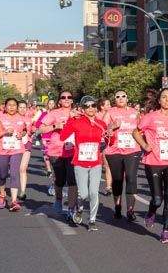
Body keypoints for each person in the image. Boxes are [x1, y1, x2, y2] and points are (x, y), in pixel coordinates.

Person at [134, 87, 168, 244]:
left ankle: (165, 231)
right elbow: (135, 132)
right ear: (159, 100)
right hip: (153, 161)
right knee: (157, 199)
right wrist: (144, 145)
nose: (167, 100)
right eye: (164, 97)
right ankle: (151, 212)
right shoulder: (150, 117)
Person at [59, 96, 109, 230]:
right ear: (82, 108)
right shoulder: (76, 122)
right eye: (87, 106)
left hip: (96, 163)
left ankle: (92, 220)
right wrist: (70, 119)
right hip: (80, 163)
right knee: (83, 194)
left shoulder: (101, 124)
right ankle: (80, 209)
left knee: (94, 193)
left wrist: (111, 132)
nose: (91, 108)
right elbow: (62, 136)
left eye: (93, 105)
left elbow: (110, 141)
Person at [102, 90, 142, 222]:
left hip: (132, 151)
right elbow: (103, 132)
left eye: (123, 96)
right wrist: (112, 126)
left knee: (131, 178)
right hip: (115, 151)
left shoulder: (134, 112)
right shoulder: (110, 113)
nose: (120, 98)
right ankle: (117, 206)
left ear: (127, 98)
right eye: (117, 96)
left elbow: (141, 129)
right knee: (118, 180)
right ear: (114, 99)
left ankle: (130, 210)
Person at [39, 92, 79, 215]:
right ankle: (58, 199)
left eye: (69, 97)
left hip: (73, 150)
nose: (66, 99)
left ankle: (71, 206)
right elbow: (41, 128)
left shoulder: (78, 113)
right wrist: (55, 126)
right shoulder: (54, 113)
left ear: (72, 100)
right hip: (56, 150)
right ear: (59, 101)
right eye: (63, 97)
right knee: (60, 179)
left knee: (72, 179)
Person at [0, 97, 31, 212]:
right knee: (3, 175)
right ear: (5, 107)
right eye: (9, 105)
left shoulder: (21, 118)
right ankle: (2, 195)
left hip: (16, 150)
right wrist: (4, 132)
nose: (12, 107)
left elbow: (24, 131)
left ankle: (13, 201)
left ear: (17, 107)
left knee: (14, 174)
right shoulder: (0, 119)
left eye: (14, 105)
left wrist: (21, 134)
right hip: (1, 150)